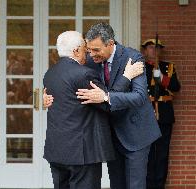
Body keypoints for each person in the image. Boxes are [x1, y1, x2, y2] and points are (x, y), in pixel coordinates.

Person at [42, 31, 143, 189]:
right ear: (76, 51)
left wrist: (41, 101)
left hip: (56, 150)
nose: (88, 52)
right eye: (84, 48)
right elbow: (107, 102)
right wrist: (127, 76)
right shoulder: (84, 74)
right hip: (82, 153)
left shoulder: (50, 73)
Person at [75, 23, 161, 189]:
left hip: (136, 133)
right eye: (89, 49)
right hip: (110, 135)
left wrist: (106, 96)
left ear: (110, 44)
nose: (91, 54)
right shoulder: (92, 60)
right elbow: (71, 75)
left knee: (135, 185)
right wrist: (50, 92)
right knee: (117, 184)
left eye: (96, 50)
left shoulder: (133, 58)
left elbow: (140, 97)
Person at [141, 39, 181, 189]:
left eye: (157, 47)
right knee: (148, 153)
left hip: (164, 114)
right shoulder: (140, 67)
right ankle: (148, 185)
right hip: (145, 115)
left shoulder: (168, 67)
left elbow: (176, 87)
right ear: (144, 51)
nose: (153, 50)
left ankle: (160, 185)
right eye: (150, 47)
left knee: (162, 153)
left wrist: (161, 77)